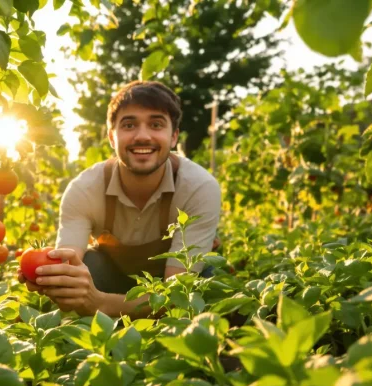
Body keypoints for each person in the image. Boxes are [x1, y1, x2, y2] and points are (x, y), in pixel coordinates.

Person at [20, 80, 221, 319]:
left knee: (205, 282)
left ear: (174, 136)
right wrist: (55, 278)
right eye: (129, 125)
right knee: (89, 265)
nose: (142, 136)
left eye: (156, 124)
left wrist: (100, 303)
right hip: (113, 281)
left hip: (168, 291)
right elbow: (69, 261)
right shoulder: (84, 189)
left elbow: (178, 294)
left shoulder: (199, 187)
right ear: (112, 138)